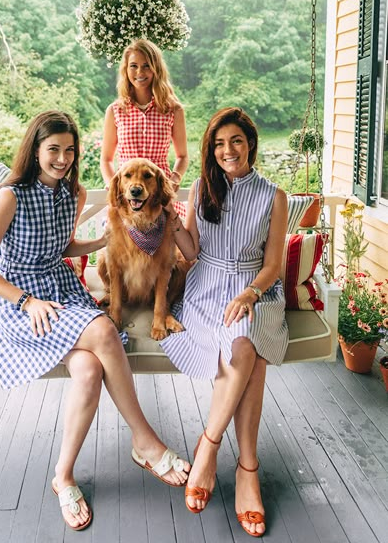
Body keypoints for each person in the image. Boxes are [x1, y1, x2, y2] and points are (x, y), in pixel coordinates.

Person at [0, 111, 190, 532]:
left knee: (88, 370)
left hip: (60, 289)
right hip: (21, 301)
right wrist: (27, 301)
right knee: (106, 328)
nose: (62, 159)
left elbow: (64, 246)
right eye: (53, 149)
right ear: (35, 150)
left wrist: (104, 241)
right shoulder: (10, 196)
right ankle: (145, 441)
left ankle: (63, 476)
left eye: (70, 150)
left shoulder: (73, 192)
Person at [161, 107, 289, 537]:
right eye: (218, 144)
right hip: (205, 288)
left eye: (235, 141)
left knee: (245, 342)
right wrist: (174, 223)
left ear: (250, 142)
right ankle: (247, 469)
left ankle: (208, 447)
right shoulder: (201, 187)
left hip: (254, 288)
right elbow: (193, 249)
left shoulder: (274, 195)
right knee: (248, 356)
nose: (227, 151)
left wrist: (250, 293)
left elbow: (273, 264)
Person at [100, 38, 188, 216]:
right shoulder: (115, 110)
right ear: (126, 70)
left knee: (172, 242)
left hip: (159, 197)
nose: (140, 72)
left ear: (157, 69)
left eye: (146, 65)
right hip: (127, 199)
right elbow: (106, 159)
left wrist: (175, 178)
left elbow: (183, 156)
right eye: (133, 66)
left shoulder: (173, 109)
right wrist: (113, 187)